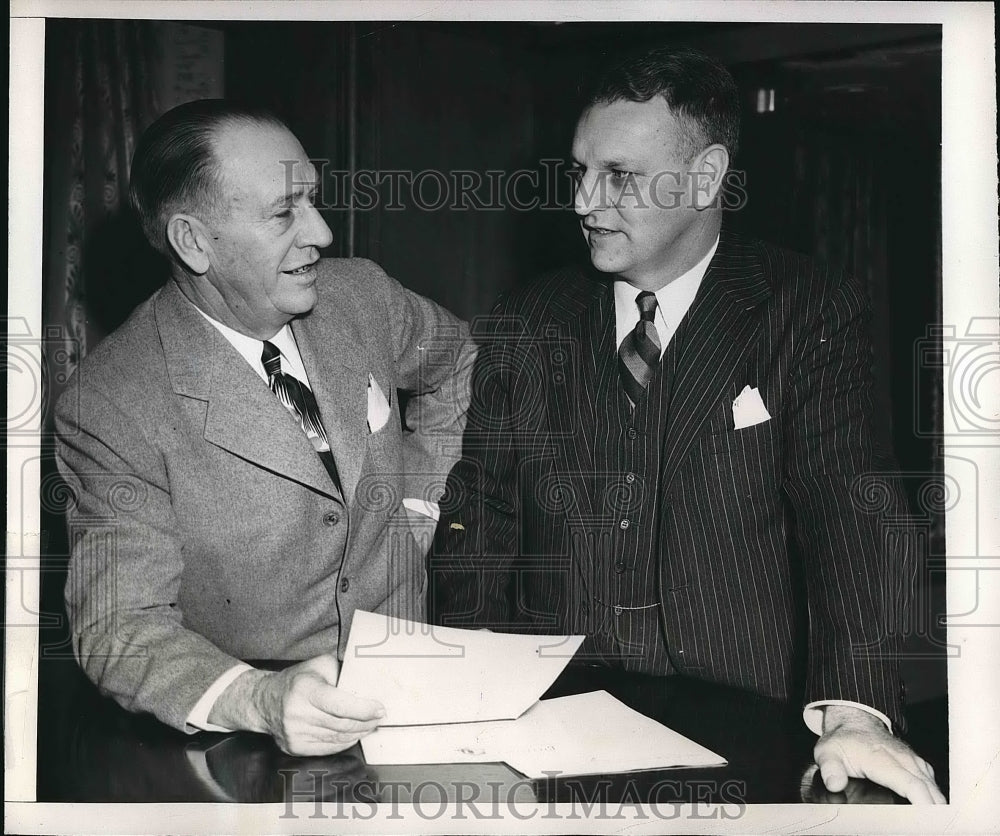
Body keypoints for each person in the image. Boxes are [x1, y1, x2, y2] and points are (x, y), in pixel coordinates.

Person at [430, 47, 945, 803]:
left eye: (620, 177)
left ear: (705, 178)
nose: (583, 201)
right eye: (580, 171)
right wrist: (461, 697)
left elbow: (850, 517)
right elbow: (485, 521)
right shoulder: (525, 321)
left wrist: (857, 710)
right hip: (553, 732)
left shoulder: (805, 309)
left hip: (744, 733)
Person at [55, 99, 474, 757]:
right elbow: (120, 626)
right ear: (192, 241)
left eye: (312, 200)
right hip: (257, 739)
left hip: (417, 692)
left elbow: (462, 362)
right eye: (284, 213)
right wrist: (257, 700)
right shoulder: (109, 405)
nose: (323, 234)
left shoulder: (360, 294)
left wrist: (419, 500)